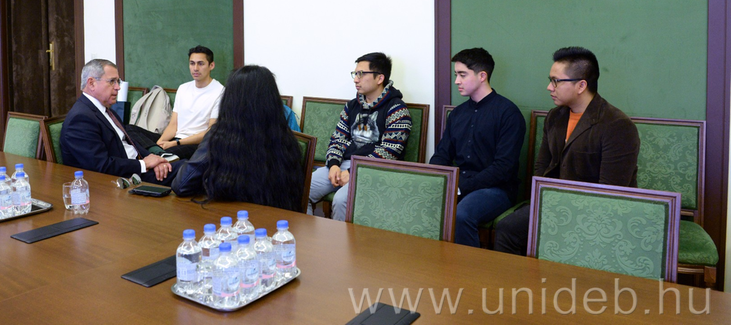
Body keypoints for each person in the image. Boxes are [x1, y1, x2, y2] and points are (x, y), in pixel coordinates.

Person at [493, 46, 640, 255]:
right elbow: (542, 167)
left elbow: (611, 192)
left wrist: (564, 212)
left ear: (581, 85)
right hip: (555, 203)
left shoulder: (616, 125)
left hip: (598, 212)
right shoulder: (555, 117)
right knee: (507, 228)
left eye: (556, 81)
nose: (549, 87)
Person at [170, 65, 304, 212]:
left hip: (232, 220)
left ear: (230, 100)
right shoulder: (287, 138)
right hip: (280, 220)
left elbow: (181, 185)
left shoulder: (222, 136)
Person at [429, 48, 525, 247]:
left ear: (482, 76)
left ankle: (467, 266)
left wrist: (461, 187)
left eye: (462, 75)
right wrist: (436, 180)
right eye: (456, 75)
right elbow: (441, 155)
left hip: (496, 189)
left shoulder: (508, 113)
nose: (457, 81)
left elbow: (503, 168)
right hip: (459, 185)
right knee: (420, 202)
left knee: (462, 215)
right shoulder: (457, 114)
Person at [306, 52, 412, 220]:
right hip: (344, 165)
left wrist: (353, 171)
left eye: (361, 74)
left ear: (380, 78)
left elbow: (389, 152)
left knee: (341, 200)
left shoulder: (397, 109)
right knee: (302, 188)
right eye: (355, 74)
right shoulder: (351, 106)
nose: (356, 79)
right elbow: (337, 140)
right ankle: (307, 235)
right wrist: (333, 165)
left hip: (375, 170)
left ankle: (339, 238)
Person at [60, 59, 181, 184]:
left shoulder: (106, 110)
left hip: (137, 168)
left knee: (187, 168)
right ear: (91, 83)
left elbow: (130, 144)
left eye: (118, 82)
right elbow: (101, 166)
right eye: (112, 81)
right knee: (188, 169)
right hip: (123, 180)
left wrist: (155, 160)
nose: (118, 87)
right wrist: (144, 164)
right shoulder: (80, 119)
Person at [127, 45, 224, 160]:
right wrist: (160, 143)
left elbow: (210, 132)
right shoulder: (183, 88)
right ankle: (158, 153)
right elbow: (173, 125)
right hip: (174, 140)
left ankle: (156, 155)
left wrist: (175, 143)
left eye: (200, 64)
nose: (195, 68)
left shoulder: (220, 91)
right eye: (192, 63)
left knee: (167, 154)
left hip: (195, 144)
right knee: (128, 129)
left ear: (211, 65)